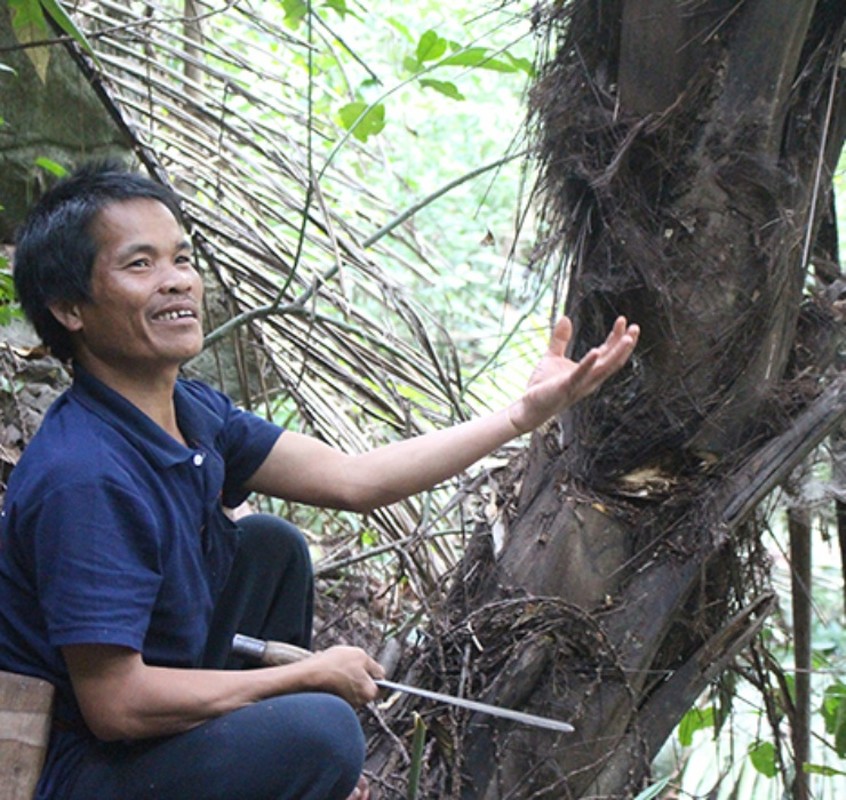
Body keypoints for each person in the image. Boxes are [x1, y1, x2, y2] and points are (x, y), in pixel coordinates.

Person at [0, 162, 639, 800]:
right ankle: (285, 759)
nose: (177, 283)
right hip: (81, 772)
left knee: (271, 550)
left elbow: (354, 480)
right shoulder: (84, 476)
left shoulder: (189, 412)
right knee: (324, 731)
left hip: (143, 736)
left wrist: (520, 416)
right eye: (140, 265)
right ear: (69, 308)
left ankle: (274, 765)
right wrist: (297, 683)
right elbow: (117, 706)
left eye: (183, 258)